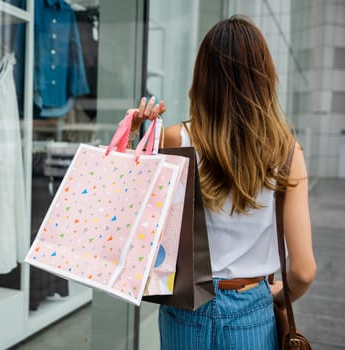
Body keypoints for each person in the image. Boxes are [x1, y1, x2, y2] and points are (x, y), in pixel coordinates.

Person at [127, 15, 316, 349]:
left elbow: (140, 217)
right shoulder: (287, 152)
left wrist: (132, 141)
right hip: (252, 308)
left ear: (203, 77)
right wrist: (276, 297)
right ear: (265, 77)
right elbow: (302, 271)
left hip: (186, 307)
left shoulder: (177, 138)